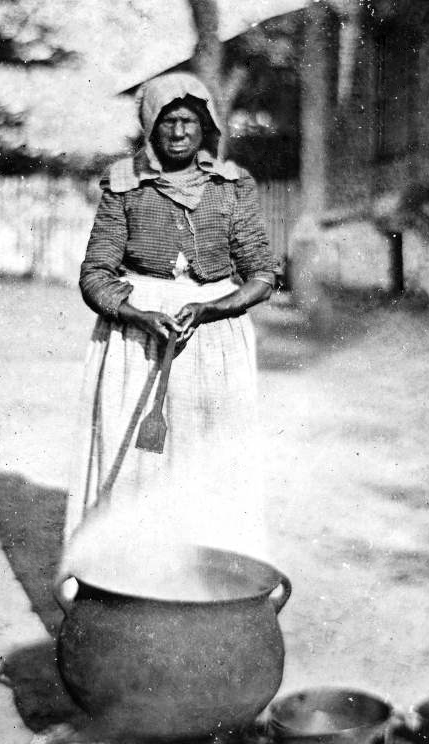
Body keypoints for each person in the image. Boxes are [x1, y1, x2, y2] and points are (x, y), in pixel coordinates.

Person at [62, 72, 276, 570]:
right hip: (137, 341)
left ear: (207, 127)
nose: (178, 133)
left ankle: (210, 584)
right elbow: (95, 274)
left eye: (189, 122)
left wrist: (213, 308)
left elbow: (262, 274)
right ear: (149, 127)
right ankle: (123, 577)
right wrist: (137, 312)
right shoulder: (124, 184)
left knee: (209, 460)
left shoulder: (231, 186)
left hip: (214, 342)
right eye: (167, 122)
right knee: (138, 460)